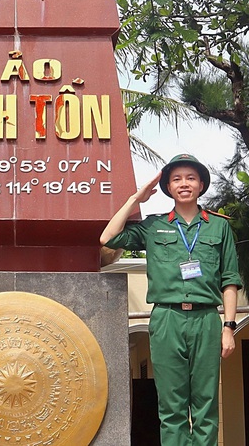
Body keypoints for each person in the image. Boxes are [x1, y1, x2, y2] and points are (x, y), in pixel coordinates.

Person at [100, 153, 241, 446]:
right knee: (171, 406)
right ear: (168, 187)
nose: (184, 184)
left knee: (206, 404)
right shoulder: (154, 226)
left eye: (190, 178)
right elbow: (108, 238)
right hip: (166, 318)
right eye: (176, 179)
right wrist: (135, 198)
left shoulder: (219, 227)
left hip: (206, 318)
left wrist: (229, 327)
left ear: (201, 184)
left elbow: (229, 279)